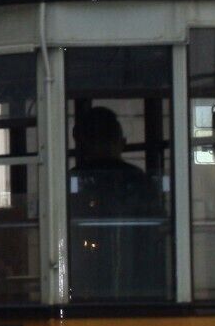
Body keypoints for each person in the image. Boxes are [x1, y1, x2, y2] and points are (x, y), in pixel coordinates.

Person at [69, 104, 166, 302]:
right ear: (120, 142)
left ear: (81, 142)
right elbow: (157, 231)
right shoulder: (139, 180)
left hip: (83, 280)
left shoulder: (71, 182)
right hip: (140, 281)